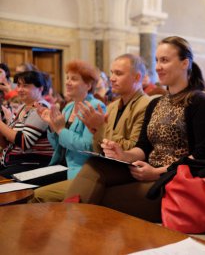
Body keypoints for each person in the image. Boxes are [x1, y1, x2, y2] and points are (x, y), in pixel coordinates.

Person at [64, 36, 205, 220]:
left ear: (185, 63)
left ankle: (67, 226)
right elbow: (144, 147)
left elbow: (203, 156)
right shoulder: (156, 104)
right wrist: (124, 155)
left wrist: (156, 172)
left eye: (165, 60)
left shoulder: (199, 102)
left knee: (102, 197)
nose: (158, 67)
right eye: (157, 60)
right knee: (95, 165)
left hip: (175, 180)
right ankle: (67, 224)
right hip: (148, 171)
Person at [30, 60, 106, 202]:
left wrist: (60, 129)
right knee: (22, 185)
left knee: (33, 194)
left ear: (88, 85)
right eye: (68, 78)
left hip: (80, 170)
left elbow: (88, 147)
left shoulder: (94, 106)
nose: (68, 82)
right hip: (61, 165)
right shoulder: (69, 107)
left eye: (74, 79)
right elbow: (58, 146)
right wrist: (52, 127)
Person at [76, 53, 150, 152]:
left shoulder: (147, 105)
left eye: (118, 73)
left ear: (137, 77)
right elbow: (98, 150)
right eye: (112, 73)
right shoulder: (112, 106)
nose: (112, 78)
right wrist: (97, 132)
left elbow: (134, 149)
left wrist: (101, 128)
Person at [0, 71, 54, 180]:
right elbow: (7, 144)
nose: (19, 89)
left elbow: (24, 142)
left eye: (25, 86)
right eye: (18, 85)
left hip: (32, 165)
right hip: (14, 162)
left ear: (40, 88)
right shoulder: (22, 108)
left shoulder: (41, 109)